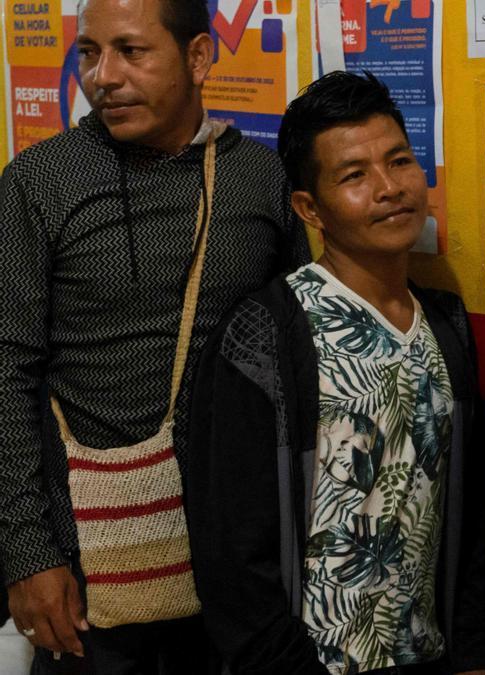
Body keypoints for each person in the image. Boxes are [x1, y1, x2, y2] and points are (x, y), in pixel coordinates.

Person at [0, 0, 307, 669]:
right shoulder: (39, 182)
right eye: (88, 52)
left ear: (198, 56)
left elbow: (298, 350)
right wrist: (27, 552)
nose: (102, 76)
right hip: (88, 574)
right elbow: (6, 371)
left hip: (236, 570)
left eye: (131, 51)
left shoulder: (260, 179)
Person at [186, 71, 485, 675]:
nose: (389, 189)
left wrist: (476, 656)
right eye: (354, 176)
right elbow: (233, 558)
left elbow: (468, 521)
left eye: (399, 162)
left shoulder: (446, 326)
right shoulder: (265, 336)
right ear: (309, 208)